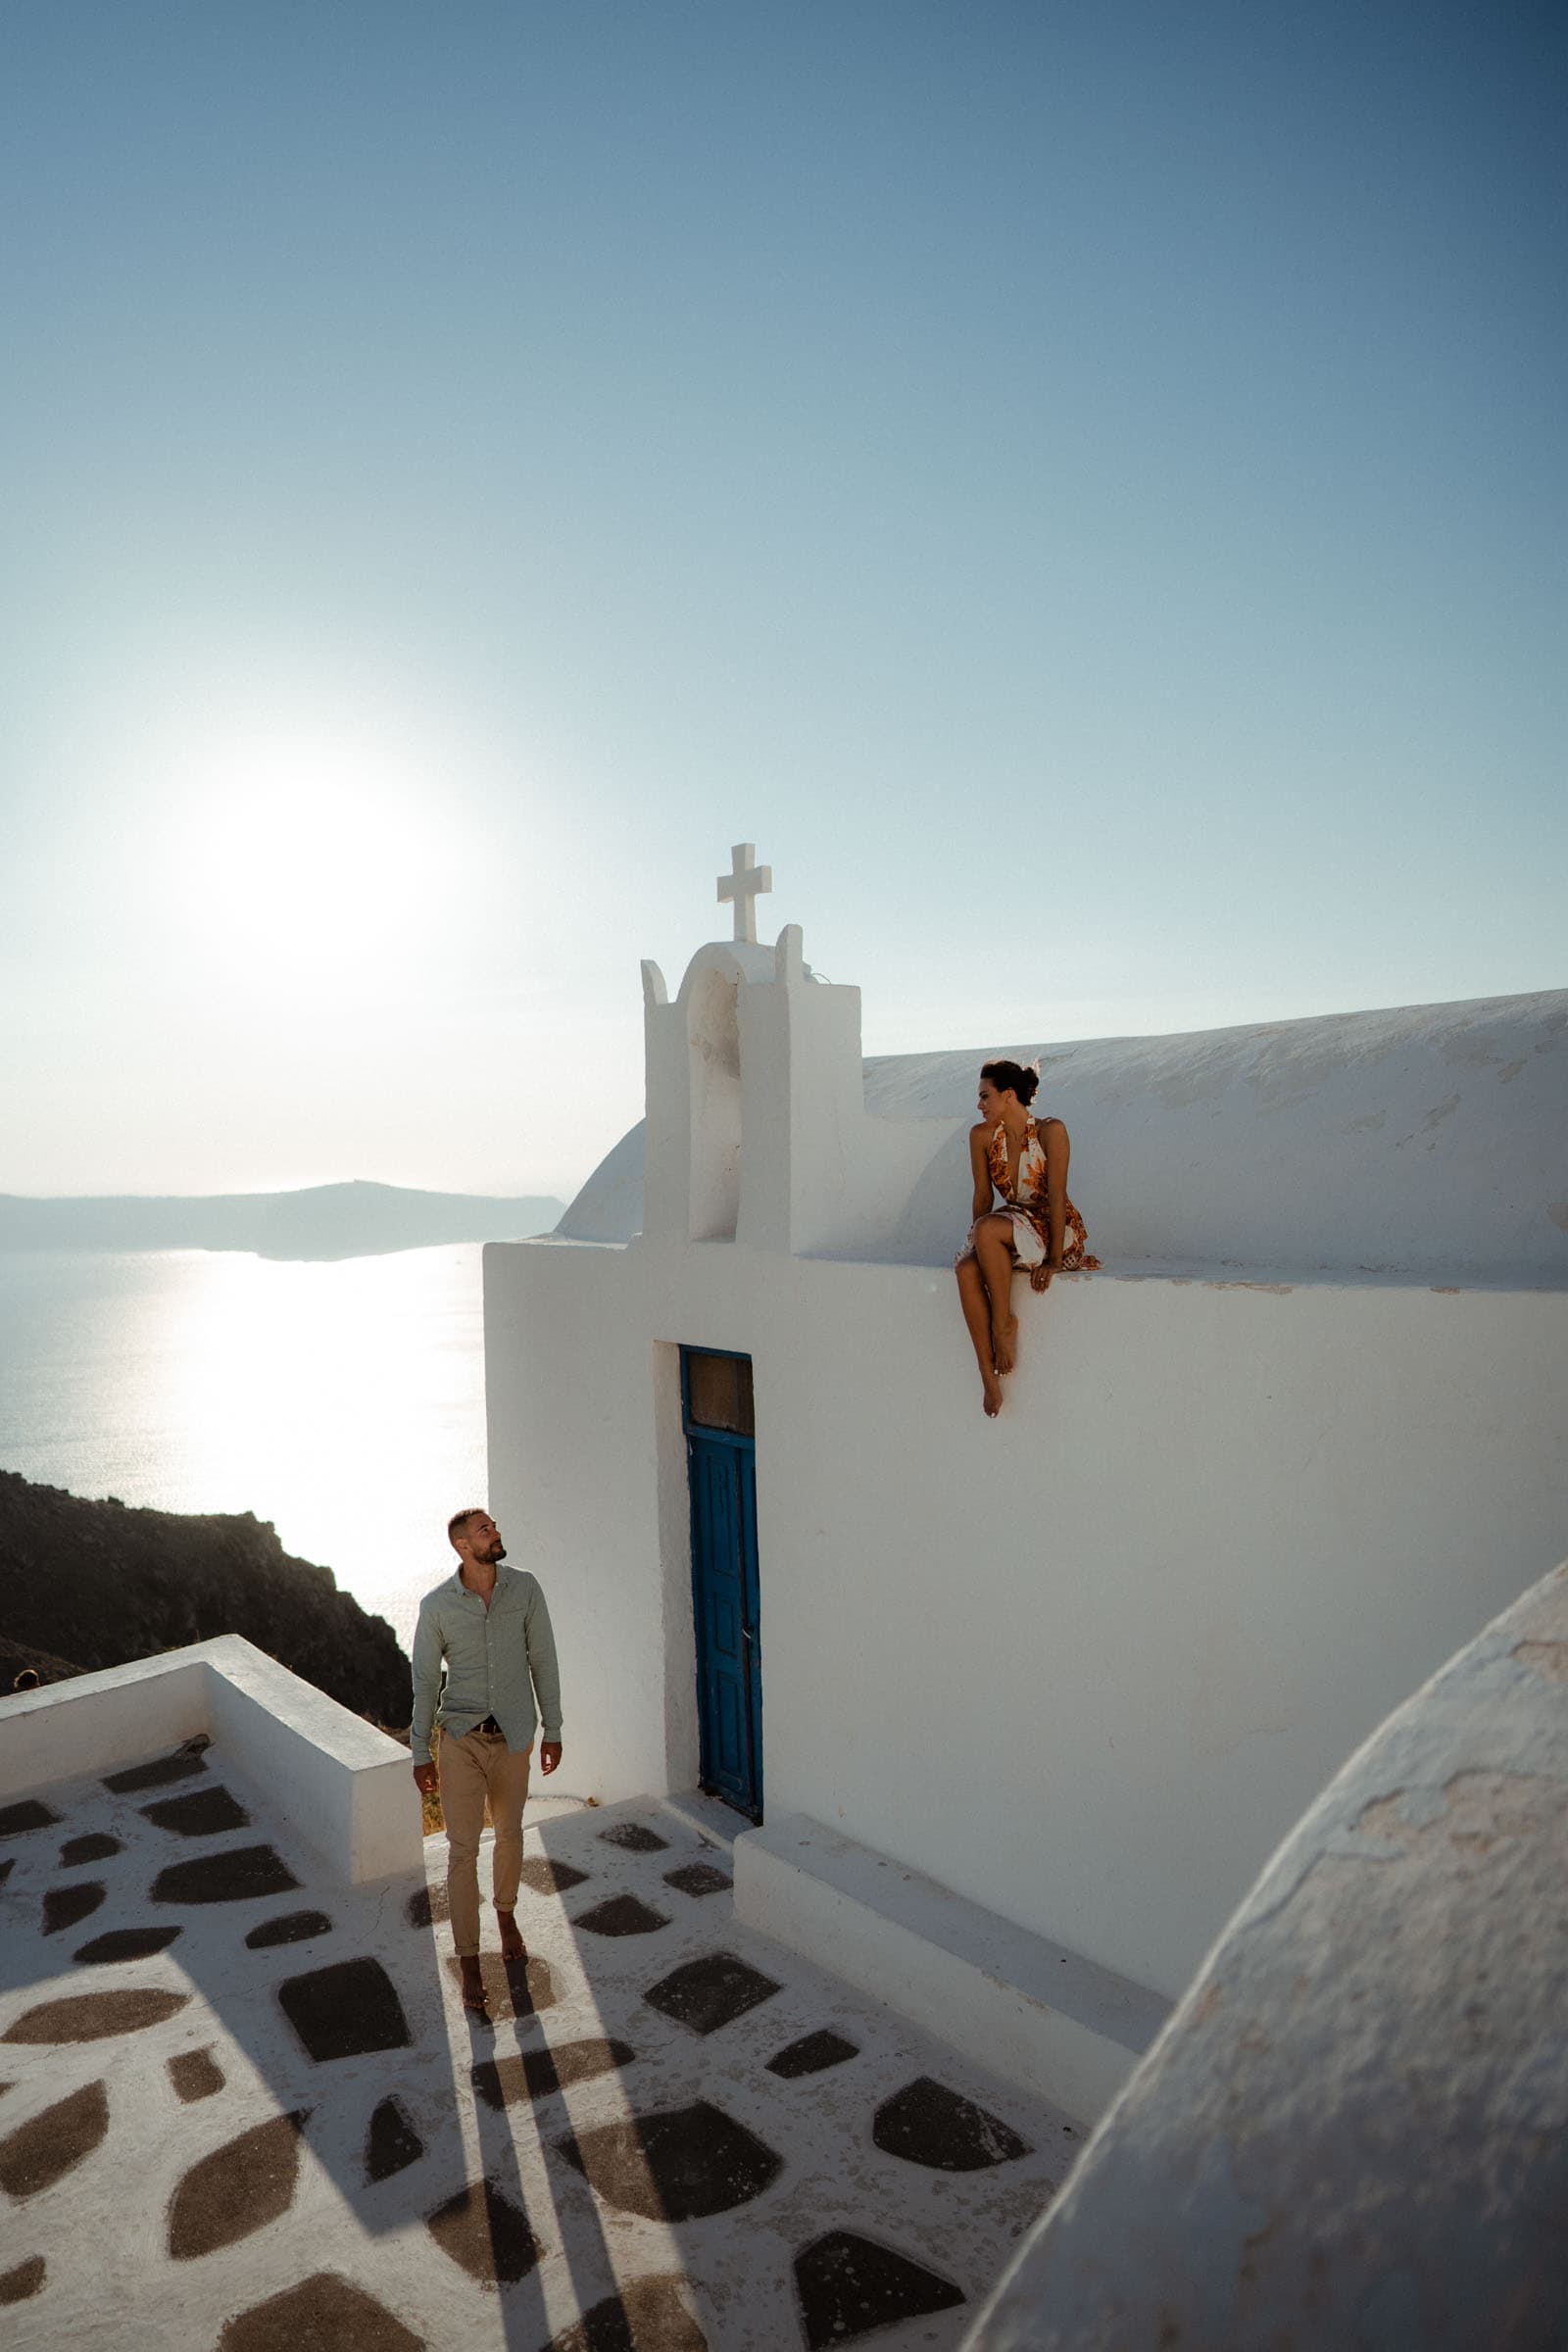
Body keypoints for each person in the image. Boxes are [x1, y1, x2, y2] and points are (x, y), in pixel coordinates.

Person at [410, 1507, 563, 2017]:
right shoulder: (437, 1607)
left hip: (515, 1734)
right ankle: (470, 1961)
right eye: (484, 1531)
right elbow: (427, 1683)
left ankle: (506, 1916)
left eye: (494, 1527)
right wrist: (418, 1751)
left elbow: (543, 1659)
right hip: (461, 1741)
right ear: (461, 1546)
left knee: (512, 1835)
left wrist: (553, 1729)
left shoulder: (525, 1589)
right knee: (462, 1849)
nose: (496, 1534)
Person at [956, 1058, 1101, 1417]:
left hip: (1054, 1226)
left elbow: (1057, 1194)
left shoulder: (1052, 1131)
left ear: (1008, 1095)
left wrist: (1053, 1260)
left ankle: (1002, 1323)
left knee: (989, 1229)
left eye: (985, 1096)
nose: (979, 1105)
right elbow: (983, 1199)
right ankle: (987, 1376)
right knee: (965, 1270)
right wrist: (977, 1245)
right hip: (1010, 1225)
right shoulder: (981, 1136)